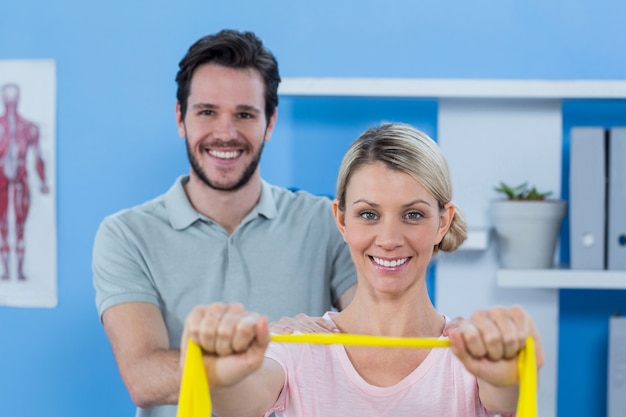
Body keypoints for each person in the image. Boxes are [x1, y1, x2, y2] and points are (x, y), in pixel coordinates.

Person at [181, 122, 545, 417]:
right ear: (341, 219)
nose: (388, 239)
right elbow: (240, 401)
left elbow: (505, 396)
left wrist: (511, 372)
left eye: (413, 214)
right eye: (368, 214)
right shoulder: (298, 345)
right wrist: (220, 377)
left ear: (442, 222)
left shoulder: (470, 355)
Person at [92, 29, 357, 417]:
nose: (226, 133)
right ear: (181, 118)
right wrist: (267, 354)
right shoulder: (125, 235)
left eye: (245, 114)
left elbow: (371, 345)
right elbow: (143, 377)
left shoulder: (325, 222)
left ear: (270, 122)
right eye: (207, 112)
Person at [0, 83, 49, 281]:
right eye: (7, 99)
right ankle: (6, 269)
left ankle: (18, 270)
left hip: (21, 179)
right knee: (2, 224)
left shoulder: (29, 128)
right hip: (1, 179)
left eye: (13, 99)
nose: (11, 103)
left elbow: (38, 156)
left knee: (20, 225)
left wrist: (43, 180)